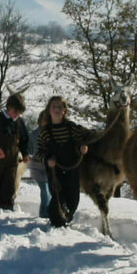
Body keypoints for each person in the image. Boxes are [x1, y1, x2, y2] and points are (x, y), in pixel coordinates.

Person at [37, 95, 89, 227]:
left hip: (72, 169)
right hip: (55, 172)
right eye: (54, 107)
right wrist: (48, 161)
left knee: (73, 199)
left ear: (64, 111)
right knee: (57, 198)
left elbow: (79, 143)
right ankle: (57, 221)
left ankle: (67, 217)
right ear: (49, 110)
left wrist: (82, 148)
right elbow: (39, 152)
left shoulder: (72, 128)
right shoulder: (45, 132)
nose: (57, 109)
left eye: (60, 107)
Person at [0, 93, 30, 210]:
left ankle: (7, 208)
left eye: (19, 112)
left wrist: (25, 154)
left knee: (9, 185)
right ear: (9, 107)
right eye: (15, 111)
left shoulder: (20, 122)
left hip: (12, 160)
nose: (17, 114)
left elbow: (25, 139)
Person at [28, 109, 51, 219]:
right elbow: (29, 149)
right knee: (45, 190)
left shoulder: (52, 134)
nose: (46, 123)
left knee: (49, 192)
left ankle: (45, 213)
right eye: (44, 120)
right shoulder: (33, 135)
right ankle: (44, 215)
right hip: (37, 166)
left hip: (49, 167)